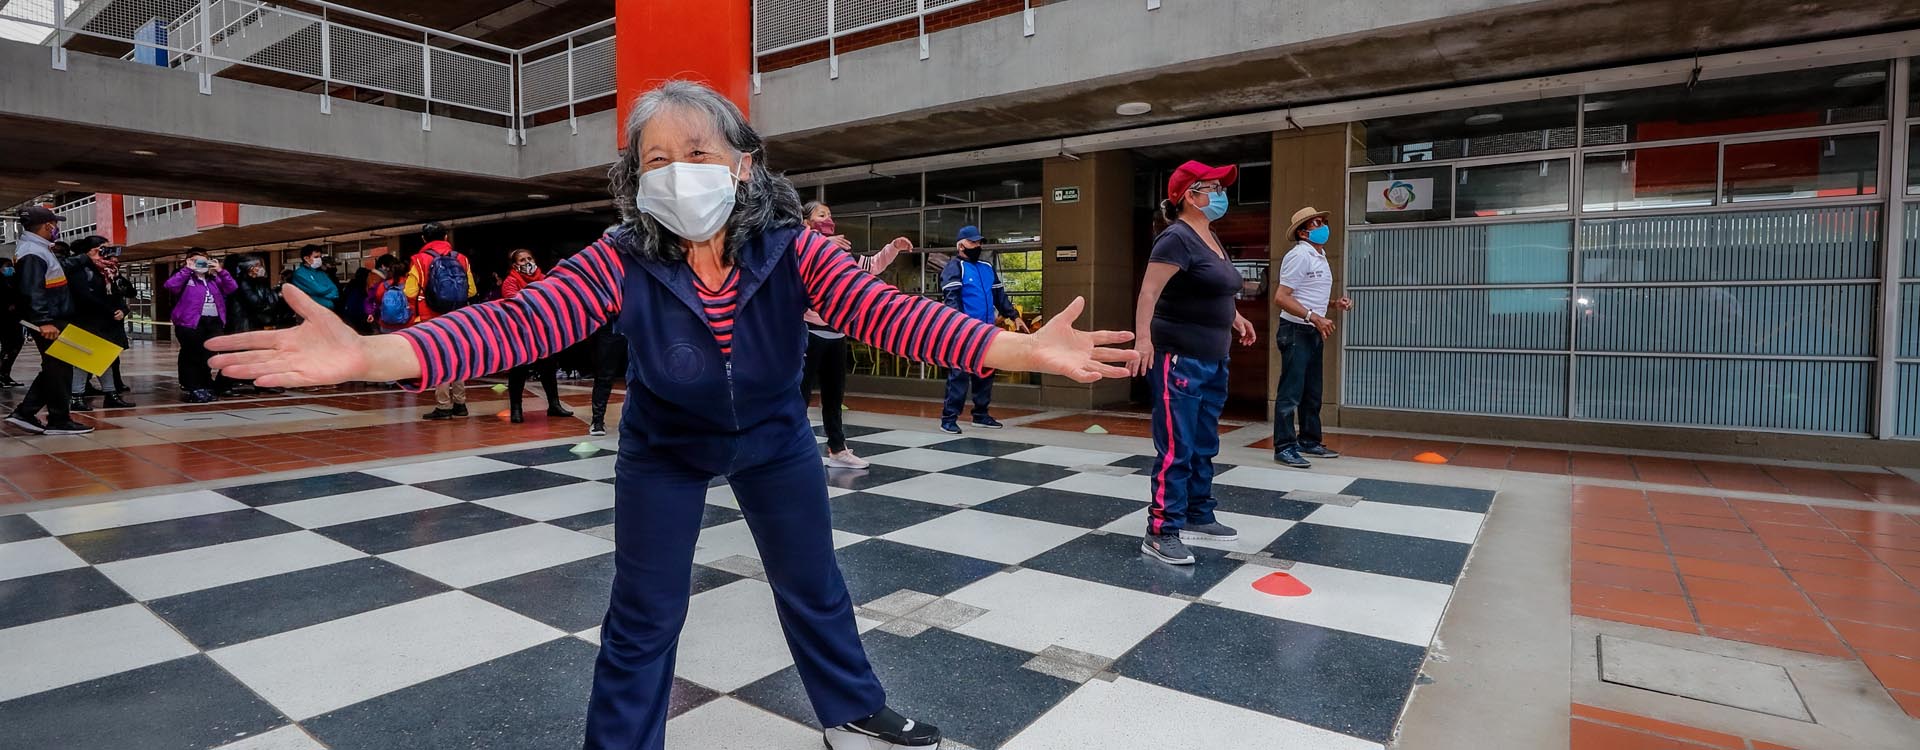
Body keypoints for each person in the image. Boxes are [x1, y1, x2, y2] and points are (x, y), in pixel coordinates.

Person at [209, 80, 1133, 750]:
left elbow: (888, 313)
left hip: (773, 440)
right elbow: (519, 322)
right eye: (658, 158)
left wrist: (1018, 350)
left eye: (699, 153)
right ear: (634, 179)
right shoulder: (620, 256)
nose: (680, 172)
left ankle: (851, 708)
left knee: (813, 586)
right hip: (663, 446)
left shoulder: (793, 249)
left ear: (743, 162)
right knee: (644, 612)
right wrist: (372, 356)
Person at [1128, 161, 1259, 565]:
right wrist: (1144, 341)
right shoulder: (1175, 237)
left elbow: (1213, 288)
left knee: (1204, 442)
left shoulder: (1209, 234)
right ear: (1190, 195)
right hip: (1179, 357)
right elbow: (1148, 293)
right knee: (1177, 446)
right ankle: (1161, 529)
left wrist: (1235, 316)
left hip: (1214, 356)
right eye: (1214, 187)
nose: (1221, 194)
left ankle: (1198, 514)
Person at [799, 200, 909, 468]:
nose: (828, 219)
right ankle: (792, 449)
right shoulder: (802, 249)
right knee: (799, 395)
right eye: (821, 215)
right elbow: (790, 239)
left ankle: (837, 450)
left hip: (836, 334)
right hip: (808, 333)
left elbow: (871, 265)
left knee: (834, 397)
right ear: (806, 222)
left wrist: (893, 247)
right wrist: (820, 242)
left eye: (830, 214)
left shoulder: (844, 254)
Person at [1272, 206, 1354, 469]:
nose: (1322, 226)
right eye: (1316, 223)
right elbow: (1281, 298)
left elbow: (1307, 294)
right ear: (1303, 232)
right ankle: (1284, 446)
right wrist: (1314, 317)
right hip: (1296, 330)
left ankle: (1309, 440)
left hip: (1312, 330)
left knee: (1312, 391)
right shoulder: (1299, 255)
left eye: (1322, 222)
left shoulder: (1319, 255)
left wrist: (1332, 304)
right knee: (1291, 392)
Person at [4, 206, 93, 435]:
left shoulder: (36, 249)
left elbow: (57, 270)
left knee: (57, 368)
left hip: (54, 317)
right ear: (47, 226)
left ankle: (34, 413)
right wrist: (44, 321)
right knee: (58, 368)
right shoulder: (33, 252)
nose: (57, 228)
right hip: (51, 319)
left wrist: (85, 258)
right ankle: (53, 418)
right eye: (56, 224)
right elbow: (32, 290)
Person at [936, 224, 1028, 434]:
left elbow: (999, 297)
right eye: (973, 242)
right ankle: (949, 418)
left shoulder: (987, 268)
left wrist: (1013, 316)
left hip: (987, 332)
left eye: (979, 242)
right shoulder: (954, 267)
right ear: (961, 245)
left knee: (985, 372)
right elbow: (952, 300)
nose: (977, 245)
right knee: (959, 375)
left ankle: (981, 414)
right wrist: (959, 325)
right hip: (964, 332)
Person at [404, 222, 476, 420]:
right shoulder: (461, 258)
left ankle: (444, 406)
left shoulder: (419, 260)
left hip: (431, 319)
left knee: (440, 360)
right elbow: (471, 290)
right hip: (458, 317)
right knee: (458, 360)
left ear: (423, 239)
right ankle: (460, 404)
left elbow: (409, 291)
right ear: (446, 237)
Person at [501, 249, 575, 424]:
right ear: (514, 265)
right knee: (518, 372)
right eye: (522, 260)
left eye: (529, 258)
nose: (527, 262)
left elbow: (553, 300)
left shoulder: (544, 278)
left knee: (548, 369)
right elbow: (516, 305)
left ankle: (554, 405)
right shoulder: (510, 282)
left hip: (544, 333)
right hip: (521, 334)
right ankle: (516, 409)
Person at [62, 237, 135, 411]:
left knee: (104, 359)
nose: (108, 253)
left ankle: (111, 394)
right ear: (91, 250)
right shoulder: (80, 269)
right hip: (85, 320)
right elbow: (84, 296)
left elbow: (121, 294)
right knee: (82, 359)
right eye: (103, 249)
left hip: (106, 322)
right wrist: (110, 311)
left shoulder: (109, 270)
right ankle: (76, 396)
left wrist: (123, 310)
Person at [164, 250, 237, 404]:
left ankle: (205, 384)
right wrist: (187, 269)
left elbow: (231, 288)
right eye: (198, 261)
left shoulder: (212, 279)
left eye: (205, 261)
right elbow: (170, 285)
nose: (202, 264)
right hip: (190, 323)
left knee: (208, 355)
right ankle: (194, 387)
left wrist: (221, 271)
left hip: (214, 322)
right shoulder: (185, 277)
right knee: (193, 355)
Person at [587, 322, 626, 437]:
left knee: (635, 376)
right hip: (611, 324)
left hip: (630, 324)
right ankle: (597, 420)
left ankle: (636, 420)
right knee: (605, 375)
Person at [366, 253, 412, 334]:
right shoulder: (410, 283)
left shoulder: (383, 285)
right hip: (407, 325)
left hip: (385, 326)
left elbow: (377, 300)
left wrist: (371, 312)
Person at [288, 245, 339, 313]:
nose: (319, 259)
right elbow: (318, 290)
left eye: (320, 257)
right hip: (310, 313)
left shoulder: (321, 273)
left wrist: (323, 293)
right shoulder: (300, 273)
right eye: (316, 257)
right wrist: (328, 292)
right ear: (306, 258)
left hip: (327, 312)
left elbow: (335, 290)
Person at [0, 257, 25, 389]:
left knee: (15, 344)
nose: (10, 269)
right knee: (8, 346)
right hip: (5, 320)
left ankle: (5, 374)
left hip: (14, 319)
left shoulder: (12, 281)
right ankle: (2, 374)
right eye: (7, 266)